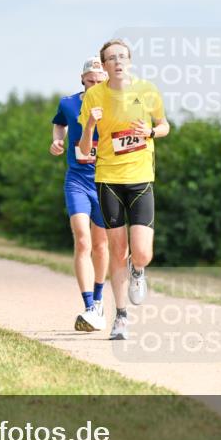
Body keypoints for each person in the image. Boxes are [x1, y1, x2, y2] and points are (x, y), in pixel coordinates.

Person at [78, 39, 170, 340]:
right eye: (111, 58)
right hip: (108, 178)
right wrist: (91, 125)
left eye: (122, 57)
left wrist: (152, 132)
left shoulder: (147, 91)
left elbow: (165, 125)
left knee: (141, 252)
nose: (117, 62)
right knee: (117, 249)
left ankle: (139, 269)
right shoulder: (93, 96)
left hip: (141, 177)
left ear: (129, 61)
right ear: (104, 66)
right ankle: (120, 316)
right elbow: (83, 146)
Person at [50, 57, 110, 332]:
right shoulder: (68, 103)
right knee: (82, 240)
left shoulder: (115, 103)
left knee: (100, 246)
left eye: (100, 81)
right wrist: (57, 140)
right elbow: (59, 123)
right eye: (90, 81)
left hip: (106, 181)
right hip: (77, 180)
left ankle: (99, 300)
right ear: (82, 79)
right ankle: (88, 306)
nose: (95, 85)